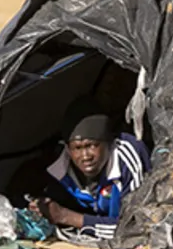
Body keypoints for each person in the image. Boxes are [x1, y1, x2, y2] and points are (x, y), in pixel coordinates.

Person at [29, 97, 150, 241]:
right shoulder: (57, 167)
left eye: (91, 145)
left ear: (108, 142)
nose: (85, 156)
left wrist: (65, 216)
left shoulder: (127, 157)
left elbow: (136, 227)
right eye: (77, 148)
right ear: (67, 148)